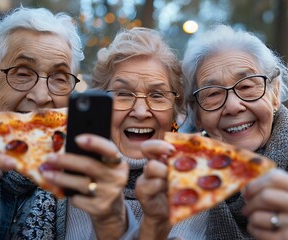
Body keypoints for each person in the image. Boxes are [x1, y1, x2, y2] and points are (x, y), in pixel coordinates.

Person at [137, 24, 288, 239]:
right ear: (197, 115)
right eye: (212, 94)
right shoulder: (185, 178)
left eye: (247, 86)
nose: (232, 106)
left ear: (274, 94)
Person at [0, 7, 129, 239]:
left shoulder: (85, 159)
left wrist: (112, 223)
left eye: (59, 78)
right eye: (22, 73)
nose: (41, 96)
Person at [42, 27, 189, 239]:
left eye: (157, 95)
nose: (140, 112)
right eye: (123, 94)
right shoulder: (67, 177)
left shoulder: (197, 188)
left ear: (174, 111)